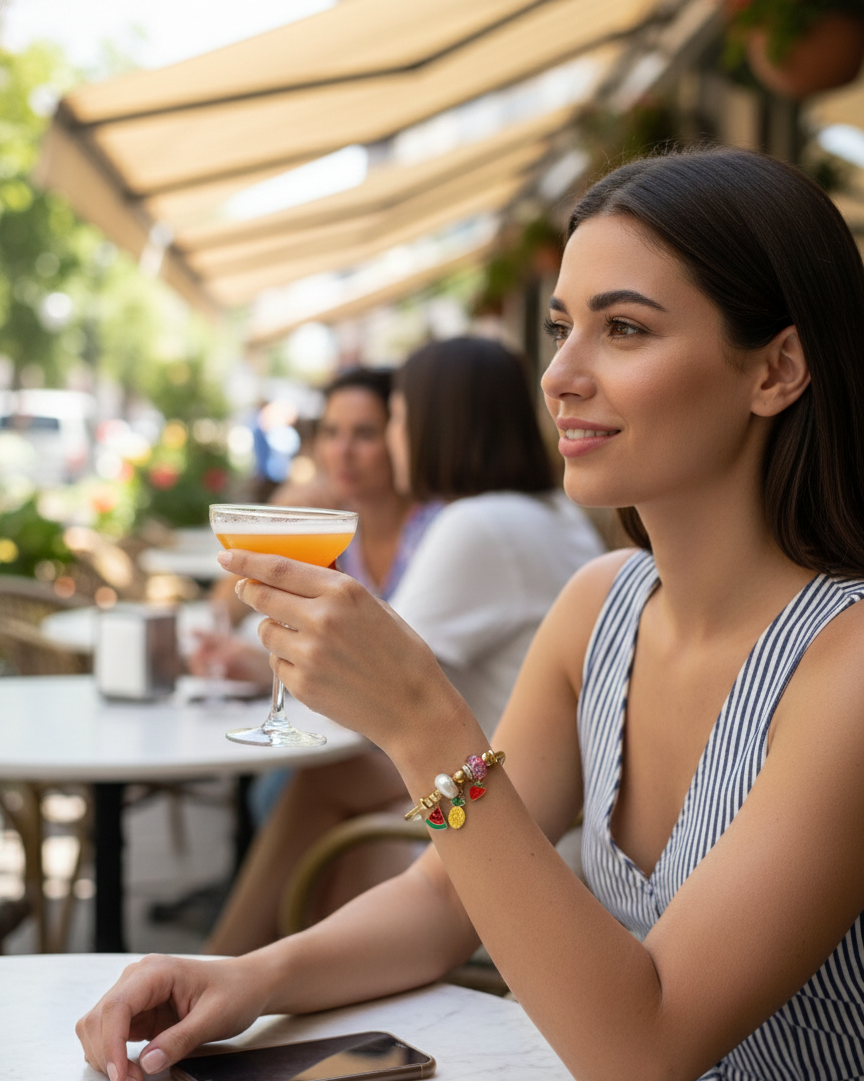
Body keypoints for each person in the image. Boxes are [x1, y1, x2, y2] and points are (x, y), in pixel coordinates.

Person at [77, 146, 864, 1081]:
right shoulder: (599, 610)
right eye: (562, 326)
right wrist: (247, 975)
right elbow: (443, 899)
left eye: (625, 329)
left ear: (776, 370)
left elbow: (645, 1049)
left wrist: (422, 718)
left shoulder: (845, 665)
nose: (560, 374)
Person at [202, 336, 604, 954]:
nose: (391, 440)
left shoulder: (477, 527)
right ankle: (230, 962)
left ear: (439, 423)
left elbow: (361, 676)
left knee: (321, 813)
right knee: (320, 786)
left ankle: (227, 966)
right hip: (534, 786)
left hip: (517, 811)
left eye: (394, 420)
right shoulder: (547, 512)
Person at [192, 366, 439, 687]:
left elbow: (401, 673)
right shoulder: (333, 532)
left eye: (364, 434)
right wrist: (281, 515)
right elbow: (224, 610)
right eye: (331, 432)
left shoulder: (436, 530)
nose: (343, 452)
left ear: (398, 437)